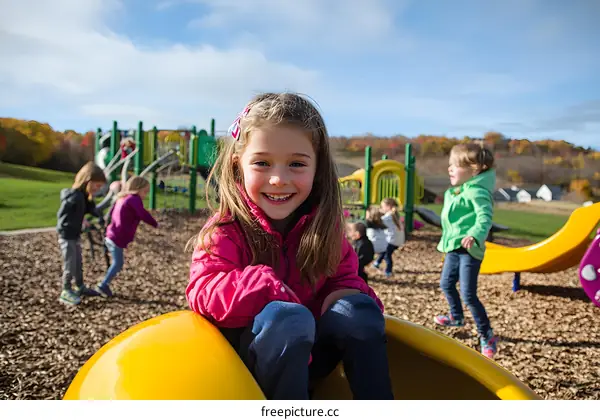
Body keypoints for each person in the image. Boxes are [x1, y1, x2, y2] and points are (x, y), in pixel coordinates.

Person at [186, 92, 394, 400]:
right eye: (262, 163)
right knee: (288, 319)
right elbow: (202, 290)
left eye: (296, 164)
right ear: (237, 165)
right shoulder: (226, 230)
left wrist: (353, 303)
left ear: (317, 167)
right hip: (253, 365)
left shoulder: (324, 228)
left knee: (358, 311)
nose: (278, 179)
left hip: (312, 358)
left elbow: (342, 279)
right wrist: (265, 286)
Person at [434, 142, 498, 359]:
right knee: (446, 284)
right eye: (450, 164)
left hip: (470, 249)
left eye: (455, 165)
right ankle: (457, 317)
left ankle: (486, 334)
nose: (450, 169)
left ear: (475, 169)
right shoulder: (459, 191)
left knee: (469, 294)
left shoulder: (477, 192)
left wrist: (475, 235)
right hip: (454, 247)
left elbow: (484, 217)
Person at [96, 176, 158, 298]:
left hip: (111, 234)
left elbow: (111, 214)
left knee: (117, 263)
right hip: (117, 237)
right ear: (137, 189)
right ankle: (103, 284)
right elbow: (142, 213)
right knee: (118, 263)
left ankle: (105, 283)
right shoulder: (134, 199)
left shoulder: (122, 198)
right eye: (145, 191)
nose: (145, 195)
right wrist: (154, 223)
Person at [56, 162, 107, 305]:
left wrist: (97, 218)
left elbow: (92, 210)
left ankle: (80, 286)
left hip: (75, 235)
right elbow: (63, 215)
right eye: (96, 186)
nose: (98, 189)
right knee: (70, 263)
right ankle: (65, 290)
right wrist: (71, 226)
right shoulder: (74, 196)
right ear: (88, 181)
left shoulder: (84, 197)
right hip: (67, 236)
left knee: (78, 262)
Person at [373, 198, 405, 277]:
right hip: (398, 241)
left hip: (392, 241)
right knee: (385, 251)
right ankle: (377, 262)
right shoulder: (395, 214)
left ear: (389, 207)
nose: (381, 208)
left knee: (387, 255)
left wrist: (376, 213)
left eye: (382, 206)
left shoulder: (388, 217)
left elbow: (378, 222)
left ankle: (388, 270)